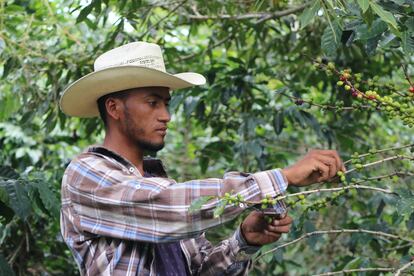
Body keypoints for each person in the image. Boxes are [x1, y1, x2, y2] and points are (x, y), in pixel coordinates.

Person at [59, 42, 345, 276]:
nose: (166, 116)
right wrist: (282, 177)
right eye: (152, 102)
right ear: (114, 108)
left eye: (166, 104)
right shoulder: (87, 174)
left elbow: (199, 268)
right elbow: (167, 206)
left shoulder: (157, 183)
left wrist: (244, 240)